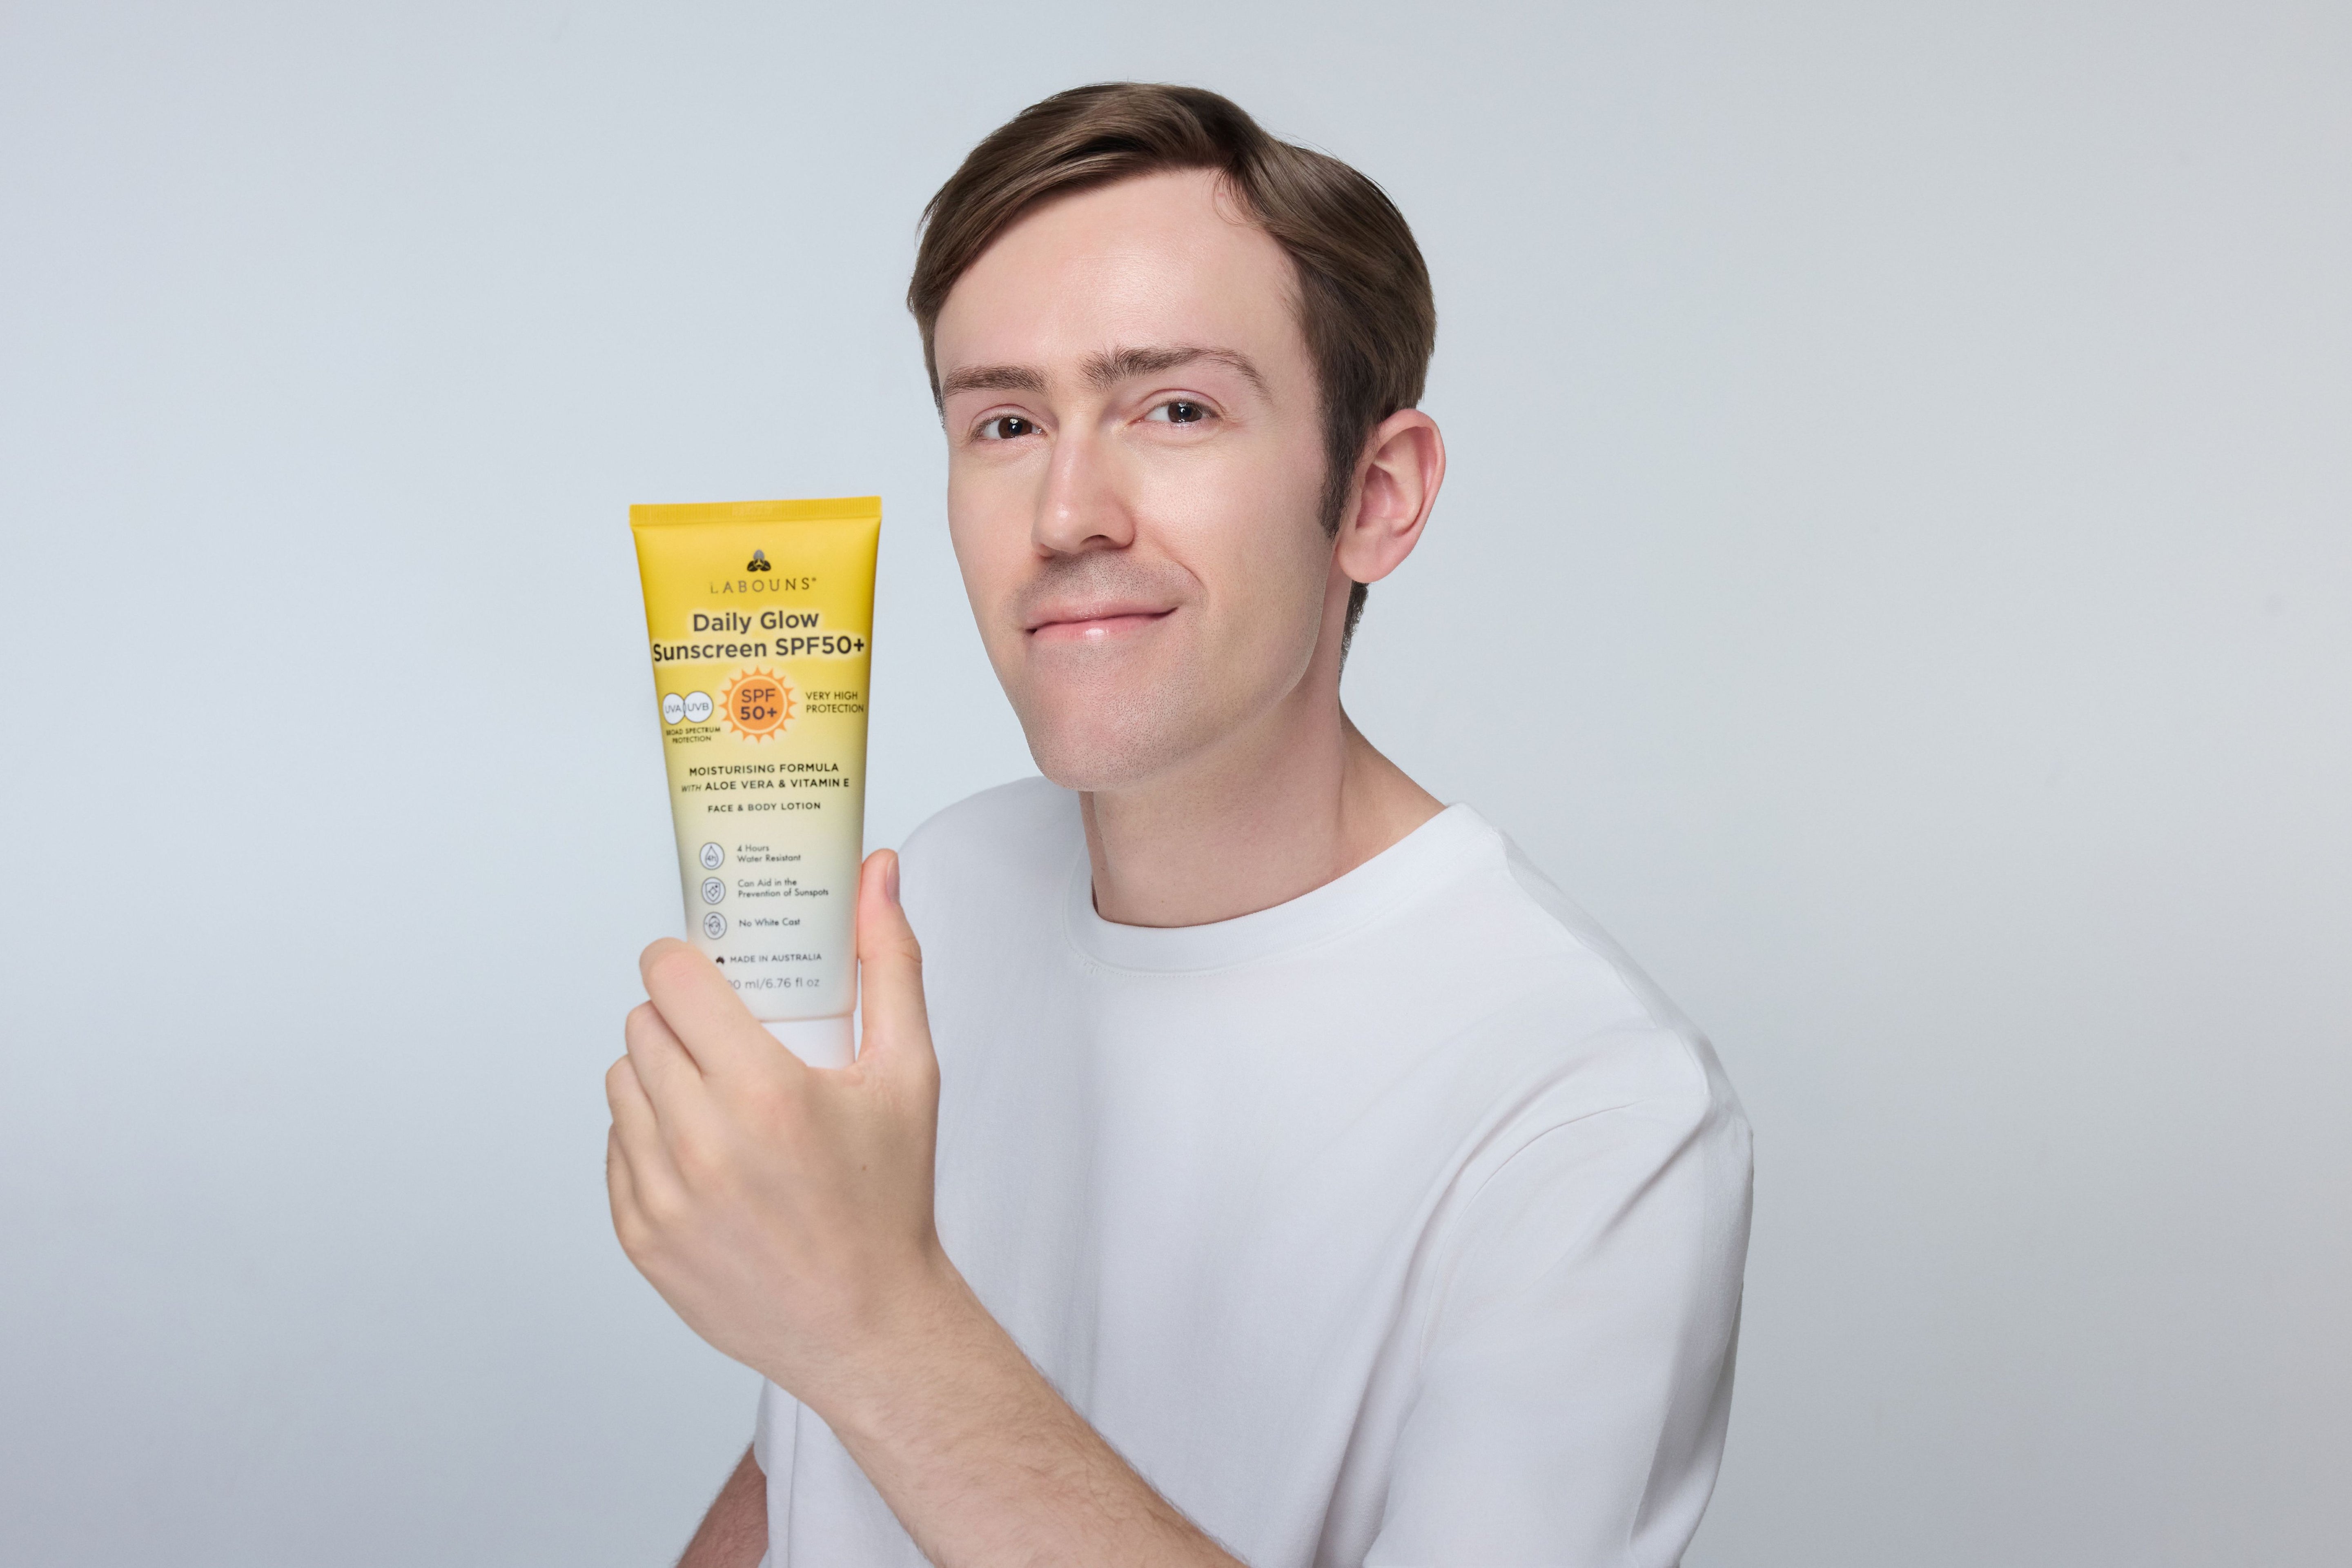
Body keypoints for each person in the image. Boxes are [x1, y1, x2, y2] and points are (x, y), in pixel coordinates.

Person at [604, 83, 1752, 1568]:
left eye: (1177, 408)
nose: (1069, 511)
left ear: (1378, 497)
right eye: (1007, 420)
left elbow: (867, 1362)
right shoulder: (934, 899)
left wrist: (871, 1317)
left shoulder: (1591, 1119)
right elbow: (808, 1469)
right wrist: (826, 1336)